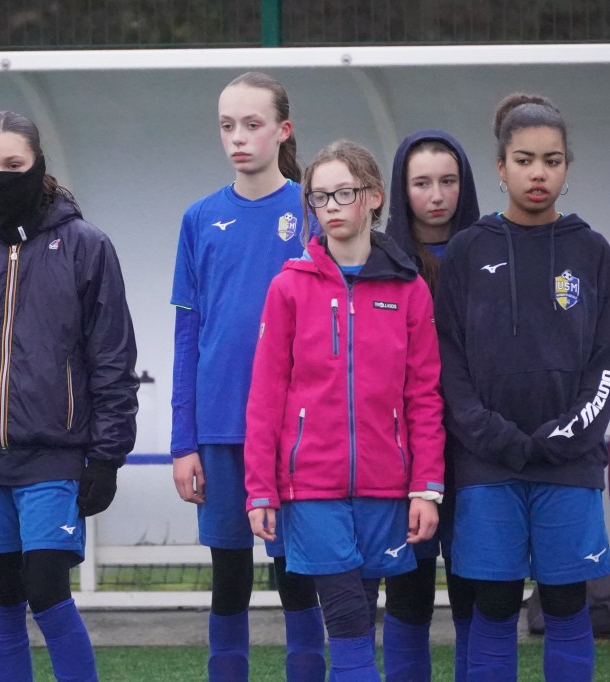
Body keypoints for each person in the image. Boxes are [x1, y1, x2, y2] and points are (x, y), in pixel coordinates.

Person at [0, 111, 139, 682]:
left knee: (45, 588)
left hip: (52, 453)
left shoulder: (87, 246)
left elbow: (111, 357)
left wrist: (107, 457)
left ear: (39, 164)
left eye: (13, 165)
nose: (0, 177)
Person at [434, 94, 610, 681]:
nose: (538, 173)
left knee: (566, 603)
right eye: (524, 160)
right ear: (501, 167)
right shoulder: (467, 250)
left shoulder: (592, 250)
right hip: (486, 464)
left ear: (567, 167)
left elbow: (609, 360)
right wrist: (493, 435)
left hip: (568, 463)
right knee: (493, 605)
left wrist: (564, 435)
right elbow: (447, 362)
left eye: (552, 160)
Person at [245, 139, 446, 680]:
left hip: (386, 484)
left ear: (374, 196)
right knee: (347, 617)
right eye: (319, 197)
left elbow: (424, 396)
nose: (330, 207)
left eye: (343, 193)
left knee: (362, 606)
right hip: (310, 486)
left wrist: (426, 486)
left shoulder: (409, 289)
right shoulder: (289, 287)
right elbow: (265, 397)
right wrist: (260, 488)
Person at [170, 71, 325, 680]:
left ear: (283, 130)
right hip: (220, 429)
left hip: (294, 431)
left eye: (252, 124)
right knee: (228, 576)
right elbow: (187, 336)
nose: (238, 137)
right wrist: (183, 442)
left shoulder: (313, 211)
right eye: (227, 125)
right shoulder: (199, 218)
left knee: (297, 576)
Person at [382, 130, 480, 681]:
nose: (437, 195)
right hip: (403, 451)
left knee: (473, 589)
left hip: (475, 447)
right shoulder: (382, 259)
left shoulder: (491, 250)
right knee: (408, 593)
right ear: (402, 190)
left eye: (448, 181)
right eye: (421, 183)